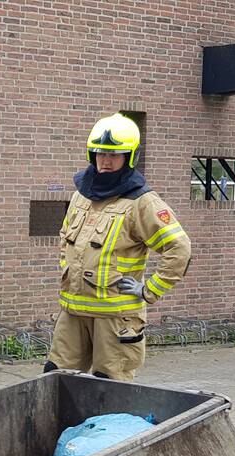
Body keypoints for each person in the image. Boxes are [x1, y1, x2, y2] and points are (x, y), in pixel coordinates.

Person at [45, 113, 191, 381]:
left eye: (115, 155)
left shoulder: (141, 202)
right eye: (100, 154)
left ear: (130, 157)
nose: (106, 161)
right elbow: (65, 239)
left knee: (108, 388)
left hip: (115, 319)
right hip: (73, 313)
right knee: (54, 379)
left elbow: (179, 249)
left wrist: (149, 290)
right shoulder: (81, 196)